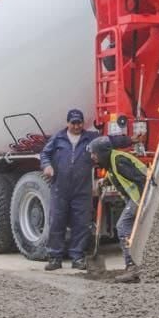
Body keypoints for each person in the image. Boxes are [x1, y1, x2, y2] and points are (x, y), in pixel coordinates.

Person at [39, 109, 102, 271]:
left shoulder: (90, 138)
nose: (76, 126)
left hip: (82, 189)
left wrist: (130, 139)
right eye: (73, 123)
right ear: (67, 123)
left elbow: (109, 142)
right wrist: (47, 166)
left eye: (79, 122)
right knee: (56, 222)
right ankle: (55, 258)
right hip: (60, 188)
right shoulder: (58, 138)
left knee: (81, 224)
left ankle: (77, 257)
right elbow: (45, 154)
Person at [88, 136, 149, 283]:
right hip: (137, 198)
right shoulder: (112, 161)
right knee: (133, 230)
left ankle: (132, 268)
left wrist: (143, 202)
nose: (92, 157)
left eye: (94, 154)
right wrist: (105, 180)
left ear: (102, 153)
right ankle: (141, 265)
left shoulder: (119, 161)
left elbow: (141, 178)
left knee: (122, 226)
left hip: (140, 197)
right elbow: (116, 173)